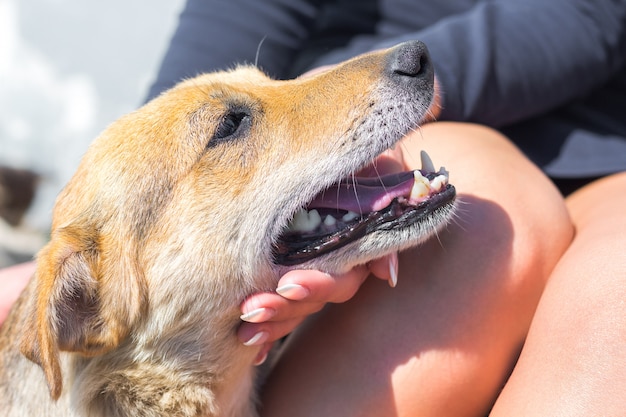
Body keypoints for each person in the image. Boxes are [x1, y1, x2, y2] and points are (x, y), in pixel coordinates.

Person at [2, 1, 625, 415]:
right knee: (491, 229)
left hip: (598, 133)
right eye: (228, 128)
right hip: (379, 132)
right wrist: (95, 229)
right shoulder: (100, 277)